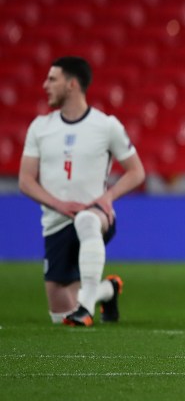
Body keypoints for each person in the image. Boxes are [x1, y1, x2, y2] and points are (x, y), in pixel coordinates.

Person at [18, 56, 145, 326]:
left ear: (72, 84)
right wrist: (59, 204)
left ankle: (86, 308)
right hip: (56, 222)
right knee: (59, 316)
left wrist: (107, 198)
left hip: (96, 217)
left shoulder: (106, 125)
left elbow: (136, 171)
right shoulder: (40, 128)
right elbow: (25, 180)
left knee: (87, 220)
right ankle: (107, 290)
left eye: (52, 79)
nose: (45, 85)